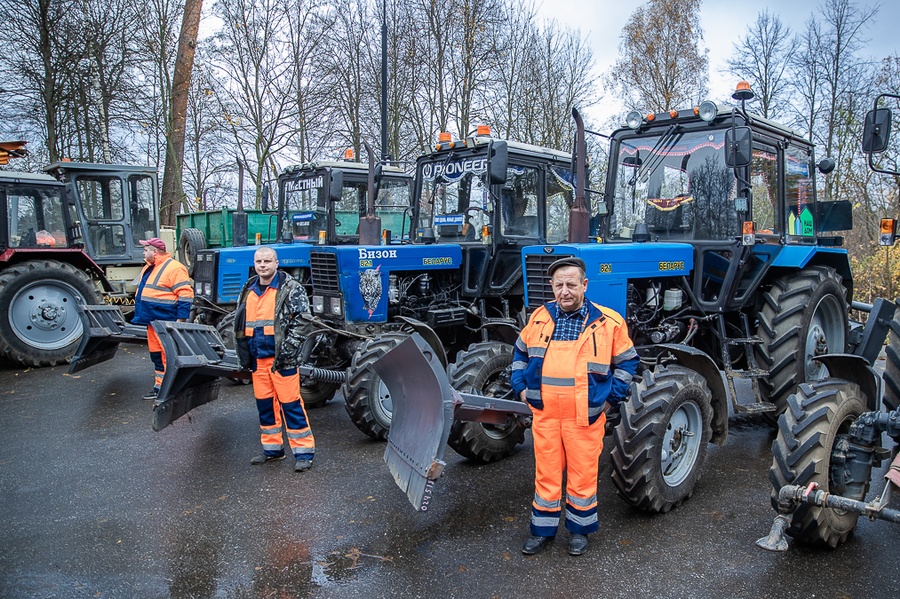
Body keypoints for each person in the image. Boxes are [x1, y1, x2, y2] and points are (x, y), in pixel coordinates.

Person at [510, 256, 639, 556]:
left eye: (571, 284)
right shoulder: (539, 318)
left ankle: (579, 532)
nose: (564, 291)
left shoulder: (608, 322)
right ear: (552, 288)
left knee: (582, 476)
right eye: (558, 285)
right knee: (547, 475)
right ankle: (542, 532)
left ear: (584, 285)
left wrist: (608, 399)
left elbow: (628, 362)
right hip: (546, 415)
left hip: (585, 417)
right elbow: (519, 353)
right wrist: (520, 390)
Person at [234, 247, 315, 472]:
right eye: (259, 261)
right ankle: (272, 450)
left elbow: (304, 320)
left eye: (267, 261)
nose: (263, 265)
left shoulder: (290, 288)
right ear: (254, 263)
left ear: (276, 263)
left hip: (282, 361)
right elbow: (242, 323)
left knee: (291, 405)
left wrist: (288, 350)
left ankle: (304, 452)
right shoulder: (248, 289)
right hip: (258, 360)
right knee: (265, 406)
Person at [132, 237, 194, 401]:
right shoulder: (150, 267)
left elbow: (186, 294)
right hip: (152, 321)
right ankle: (159, 387)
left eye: (146, 249)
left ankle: (171, 388)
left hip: (166, 321)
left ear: (155, 251)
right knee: (157, 356)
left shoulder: (174, 268)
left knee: (168, 355)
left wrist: (181, 319)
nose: (144, 252)